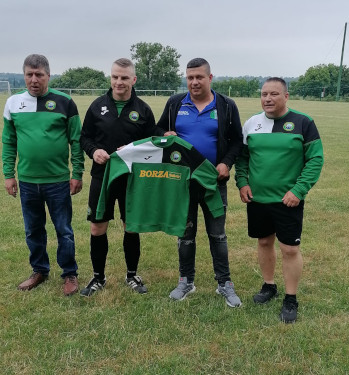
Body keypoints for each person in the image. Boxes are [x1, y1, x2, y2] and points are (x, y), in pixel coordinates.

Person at [235, 77, 324, 323]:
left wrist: (299, 190)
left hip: (288, 200)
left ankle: (291, 298)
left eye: (274, 94)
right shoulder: (252, 123)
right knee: (264, 242)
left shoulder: (303, 123)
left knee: (289, 248)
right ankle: (269, 286)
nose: (268, 99)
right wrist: (242, 182)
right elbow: (242, 158)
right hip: (258, 199)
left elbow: (315, 159)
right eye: (264, 94)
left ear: (286, 96)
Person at [157, 58, 243, 308]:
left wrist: (226, 163)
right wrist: (164, 134)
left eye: (199, 77)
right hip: (181, 182)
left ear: (210, 78)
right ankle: (186, 281)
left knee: (218, 235)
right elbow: (159, 127)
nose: (194, 82)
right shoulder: (175, 103)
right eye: (190, 77)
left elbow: (237, 140)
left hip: (213, 181)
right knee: (185, 234)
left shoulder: (226, 104)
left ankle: (224, 284)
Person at [79, 58, 164, 297]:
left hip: (132, 179)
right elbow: (85, 137)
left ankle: (132, 275)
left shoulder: (143, 109)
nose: (119, 82)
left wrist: (159, 135)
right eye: (115, 76)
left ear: (133, 79)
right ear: (111, 78)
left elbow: (151, 140)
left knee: (131, 226)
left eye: (125, 77)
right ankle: (98, 277)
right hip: (102, 176)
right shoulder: (97, 106)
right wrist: (93, 151)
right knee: (97, 227)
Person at [2, 54, 84, 296]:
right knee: (33, 230)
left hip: (58, 181)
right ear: (24, 75)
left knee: (64, 230)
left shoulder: (65, 102)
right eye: (29, 74)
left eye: (39, 75)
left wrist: (77, 172)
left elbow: (76, 141)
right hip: (28, 182)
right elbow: (9, 142)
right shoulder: (13, 103)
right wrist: (9, 174)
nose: (34, 79)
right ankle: (39, 270)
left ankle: (69, 273)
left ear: (48, 75)